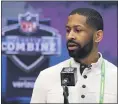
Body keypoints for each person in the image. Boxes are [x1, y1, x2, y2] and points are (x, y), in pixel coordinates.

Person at [30, 8, 117, 103]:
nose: (70, 36)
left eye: (78, 30)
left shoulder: (115, 76)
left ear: (98, 36)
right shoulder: (47, 76)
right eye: (68, 30)